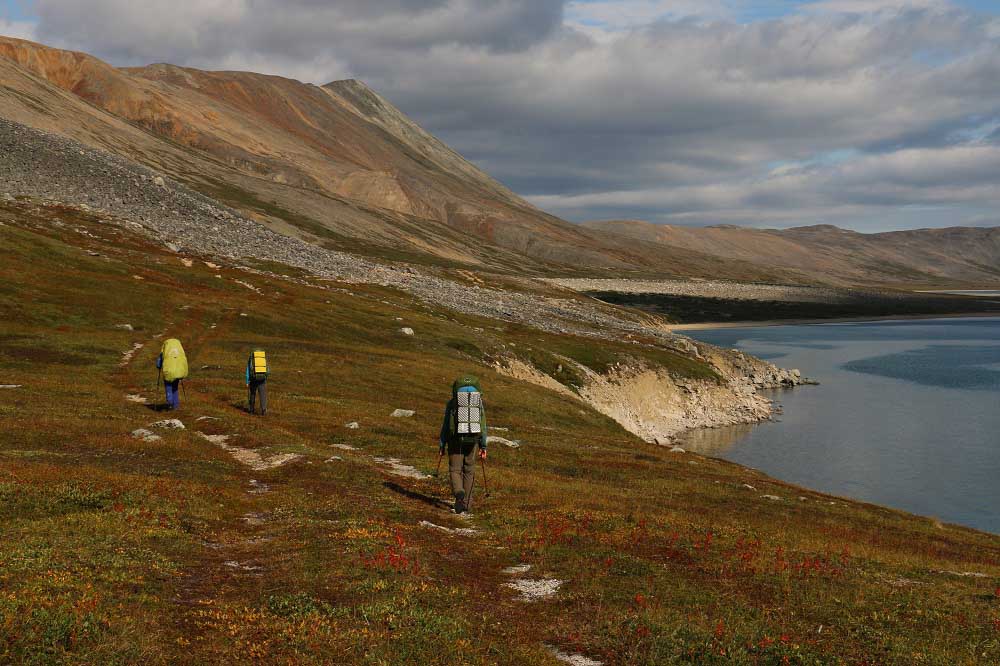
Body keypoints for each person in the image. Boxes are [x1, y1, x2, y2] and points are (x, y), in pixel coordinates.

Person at [439, 375, 487, 514]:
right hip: (473, 441)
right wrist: (483, 446)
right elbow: (483, 426)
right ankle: (466, 503)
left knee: (455, 470)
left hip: (455, 440)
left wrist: (442, 444)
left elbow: (446, 425)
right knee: (469, 471)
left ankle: (458, 492)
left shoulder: (452, 403)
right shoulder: (478, 403)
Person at [156, 338, 188, 411]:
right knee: (175, 388)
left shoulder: (165, 350)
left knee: (168, 386)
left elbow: (158, 364)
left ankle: (170, 403)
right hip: (178, 372)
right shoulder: (179, 351)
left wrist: (159, 366)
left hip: (168, 372)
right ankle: (176, 406)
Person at [246, 349, 268, 415]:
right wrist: (265, 377)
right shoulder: (263, 358)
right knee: (263, 395)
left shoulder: (251, 358)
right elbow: (268, 369)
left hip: (253, 379)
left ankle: (251, 410)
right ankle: (263, 409)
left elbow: (248, 370)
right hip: (262, 379)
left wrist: (247, 381)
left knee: (252, 394)